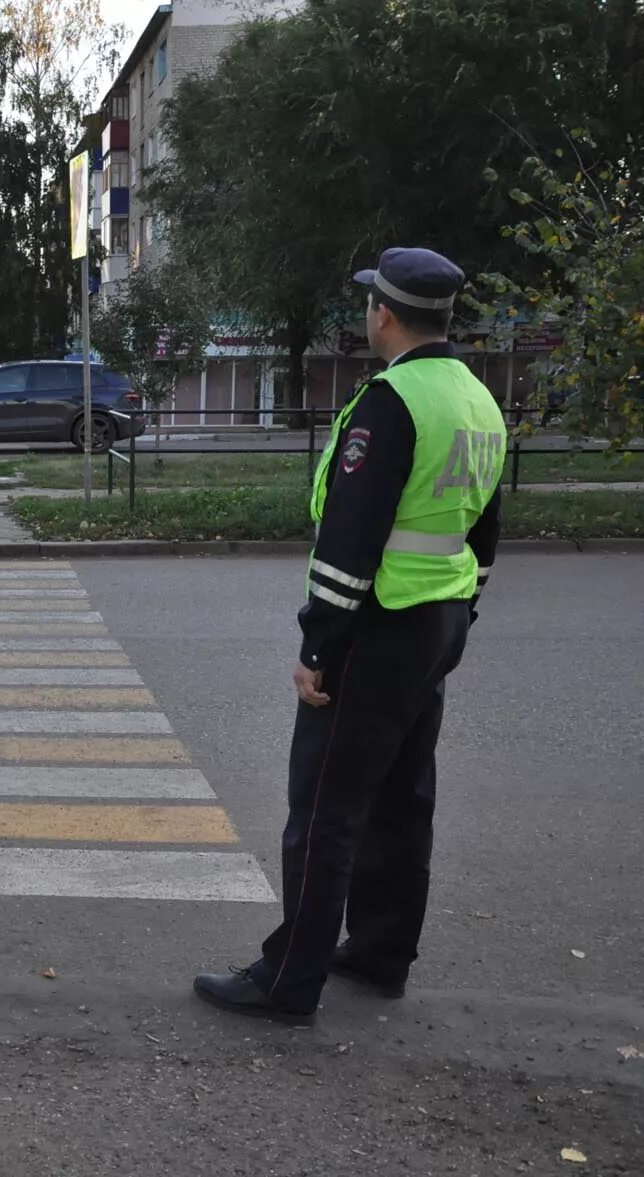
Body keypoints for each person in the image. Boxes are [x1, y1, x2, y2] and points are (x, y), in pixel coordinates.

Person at [193, 247, 507, 1025]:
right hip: (436, 623)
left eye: (371, 304)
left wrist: (317, 648)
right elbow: (486, 533)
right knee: (404, 797)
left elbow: (350, 541)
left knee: (327, 807)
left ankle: (287, 979)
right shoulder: (477, 400)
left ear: (386, 314)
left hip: (375, 627)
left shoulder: (391, 402)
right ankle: (379, 952)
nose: (369, 314)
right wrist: (462, 616)